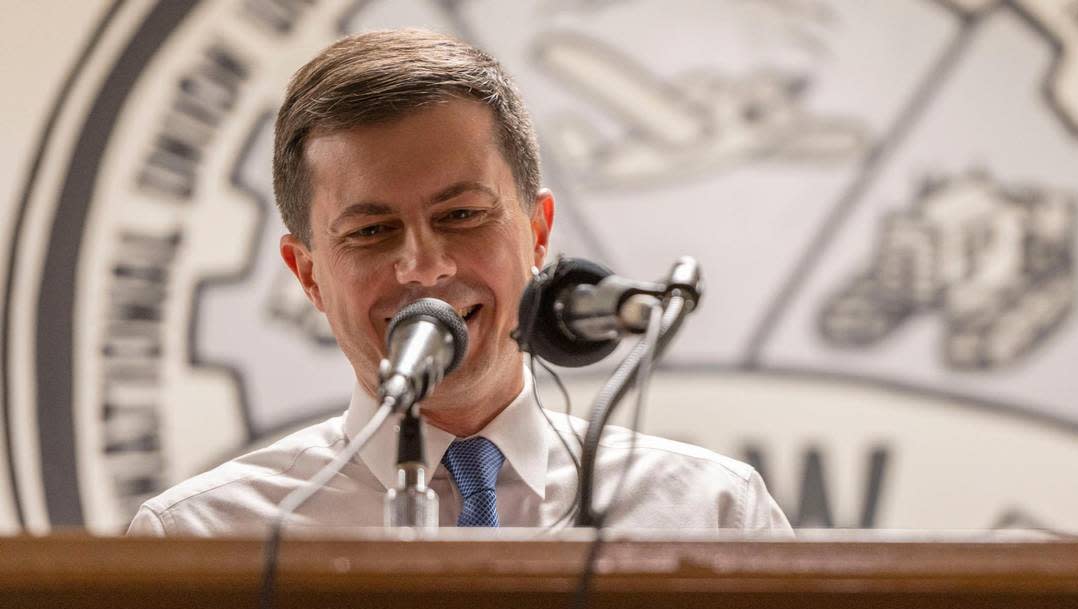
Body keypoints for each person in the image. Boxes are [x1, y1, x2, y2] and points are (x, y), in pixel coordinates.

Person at [127, 29, 791, 536]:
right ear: (308, 275)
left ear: (538, 232)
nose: (424, 267)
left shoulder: (713, 513)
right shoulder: (205, 537)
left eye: (462, 216)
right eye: (370, 232)